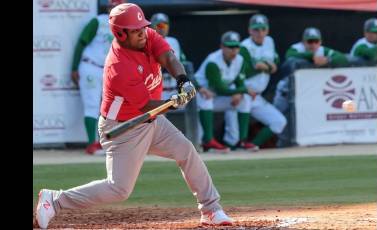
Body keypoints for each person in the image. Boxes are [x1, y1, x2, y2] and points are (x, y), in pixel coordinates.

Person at [35, 3, 233, 229]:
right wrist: (174, 102)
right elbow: (146, 105)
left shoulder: (147, 35)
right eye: (135, 29)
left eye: (142, 27)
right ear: (120, 33)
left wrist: (183, 81)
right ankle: (55, 200)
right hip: (125, 127)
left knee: (186, 151)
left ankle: (211, 209)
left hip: (152, 120)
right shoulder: (119, 66)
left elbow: (168, 57)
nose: (142, 32)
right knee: (118, 189)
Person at [273, 27, 349, 147]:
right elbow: (290, 55)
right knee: (277, 123)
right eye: (309, 41)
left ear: (320, 41)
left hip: (304, 96)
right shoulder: (297, 48)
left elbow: (342, 58)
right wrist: (311, 57)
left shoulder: (323, 51)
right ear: (304, 42)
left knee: (295, 128)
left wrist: (328, 60)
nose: (313, 44)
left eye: (315, 41)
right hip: (285, 93)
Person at [70, 0, 127, 155]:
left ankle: (108, 141)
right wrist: (74, 67)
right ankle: (92, 144)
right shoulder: (99, 21)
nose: (114, 9)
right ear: (108, 8)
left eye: (118, 7)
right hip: (91, 66)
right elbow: (82, 42)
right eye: (112, 6)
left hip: (109, 71)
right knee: (92, 105)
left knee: (113, 108)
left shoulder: (124, 28)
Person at [224, 14, 287, 149]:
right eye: (256, 29)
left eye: (263, 29)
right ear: (250, 30)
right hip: (241, 93)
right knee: (233, 136)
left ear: (267, 30)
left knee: (279, 122)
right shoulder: (244, 46)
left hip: (256, 96)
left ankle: (252, 145)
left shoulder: (269, 41)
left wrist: (264, 66)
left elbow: (275, 62)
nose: (260, 33)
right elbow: (244, 71)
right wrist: (266, 67)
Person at [195, 31, 259, 153]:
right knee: (205, 97)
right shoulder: (213, 61)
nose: (233, 50)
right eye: (230, 47)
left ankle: (242, 140)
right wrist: (243, 90)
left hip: (217, 96)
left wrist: (239, 93)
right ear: (222, 47)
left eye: (236, 47)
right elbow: (220, 89)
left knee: (245, 99)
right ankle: (208, 141)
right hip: (196, 94)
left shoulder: (240, 60)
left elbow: (240, 82)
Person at [150, 12, 187, 100]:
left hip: (174, 90)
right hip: (156, 91)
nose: (162, 29)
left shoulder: (173, 41)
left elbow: (183, 63)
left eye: (164, 26)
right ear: (152, 27)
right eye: (159, 26)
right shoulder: (146, 43)